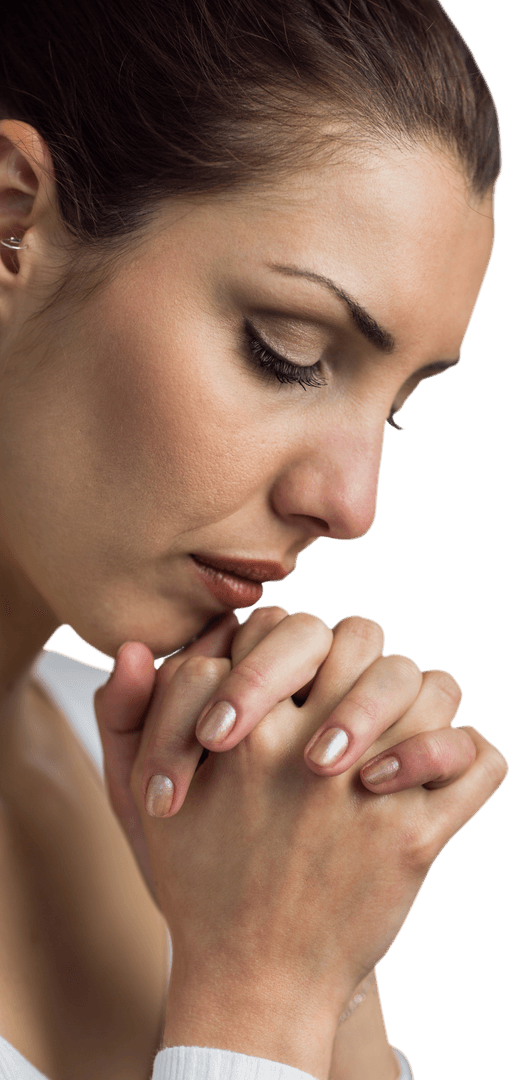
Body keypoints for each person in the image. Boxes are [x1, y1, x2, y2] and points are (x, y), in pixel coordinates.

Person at [0, 2, 507, 1079]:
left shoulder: (183, 815)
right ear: (10, 222)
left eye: (398, 408)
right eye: (287, 352)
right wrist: (261, 999)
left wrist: (326, 948)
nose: (355, 504)